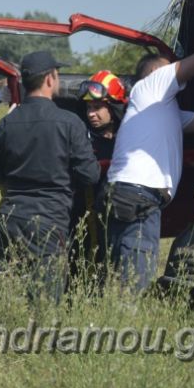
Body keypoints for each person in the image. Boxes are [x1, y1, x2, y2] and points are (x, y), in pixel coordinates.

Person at [0, 50, 100, 302]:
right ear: (49, 79)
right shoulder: (70, 122)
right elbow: (90, 175)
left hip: (9, 219)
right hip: (49, 220)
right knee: (45, 300)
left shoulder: (6, 123)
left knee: (10, 296)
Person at [104, 49, 194, 292]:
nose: (175, 69)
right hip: (139, 193)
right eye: (169, 65)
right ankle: (131, 322)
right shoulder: (150, 86)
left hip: (131, 192)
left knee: (126, 266)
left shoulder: (162, 108)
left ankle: (119, 312)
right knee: (137, 273)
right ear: (154, 72)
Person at [70, 71, 128, 283]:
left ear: (114, 108)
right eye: (88, 108)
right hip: (81, 220)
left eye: (97, 107)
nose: (91, 114)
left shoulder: (129, 139)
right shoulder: (80, 140)